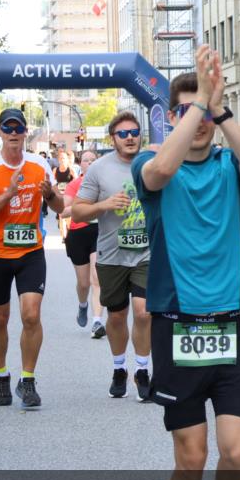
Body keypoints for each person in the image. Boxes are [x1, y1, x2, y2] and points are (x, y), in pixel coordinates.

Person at [132, 46, 240, 480]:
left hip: (230, 326)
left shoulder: (227, 167)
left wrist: (221, 108)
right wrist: (200, 103)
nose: (199, 121)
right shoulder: (153, 165)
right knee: (191, 458)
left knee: (236, 452)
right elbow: (163, 169)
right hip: (177, 327)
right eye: (188, 111)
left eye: (205, 111)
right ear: (174, 116)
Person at [0, 108, 63, 410]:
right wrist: (7, 195)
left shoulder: (39, 165)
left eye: (18, 128)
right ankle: (1, 376)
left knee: (31, 315)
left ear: (25, 132)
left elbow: (61, 206)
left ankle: (28, 380)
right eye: (8, 128)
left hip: (31, 252)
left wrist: (50, 195)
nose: (13, 133)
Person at [73, 112, 152, 400]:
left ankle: (142, 370)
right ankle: (119, 368)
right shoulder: (99, 169)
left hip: (147, 254)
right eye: (123, 133)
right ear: (113, 139)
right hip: (112, 255)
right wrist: (104, 204)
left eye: (134, 132)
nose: (130, 137)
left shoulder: (152, 165)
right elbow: (78, 210)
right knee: (117, 316)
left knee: (144, 311)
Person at [60, 149, 105, 337]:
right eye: (86, 160)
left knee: (97, 279)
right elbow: (63, 212)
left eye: (93, 160)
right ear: (81, 164)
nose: (90, 163)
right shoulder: (74, 184)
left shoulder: (105, 183)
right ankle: (83, 304)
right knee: (84, 283)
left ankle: (97, 322)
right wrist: (87, 207)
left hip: (100, 233)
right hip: (78, 234)